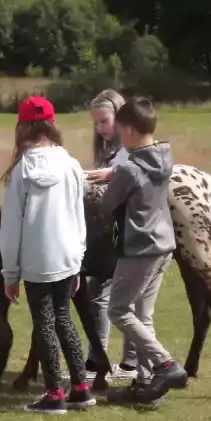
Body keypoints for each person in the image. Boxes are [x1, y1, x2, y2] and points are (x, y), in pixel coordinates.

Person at [85, 97, 188, 406]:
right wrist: (115, 175)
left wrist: (104, 182)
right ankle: (147, 388)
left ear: (127, 129)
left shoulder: (129, 169)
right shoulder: (163, 157)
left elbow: (105, 205)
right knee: (144, 316)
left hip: (140, 248)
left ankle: (166, 365)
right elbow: (137, 181)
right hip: (163, 246)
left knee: (117, 309)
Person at [0, 96, 96, 414]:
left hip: (37, 261)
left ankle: (55, 393)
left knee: (44, 323)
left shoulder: (21, 171)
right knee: (64, 318)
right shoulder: (70, 164)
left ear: (22, 127)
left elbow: (11, 227)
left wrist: (10, 274)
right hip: (67, 256)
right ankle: (81, 388)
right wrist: (78, 261)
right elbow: (78, 215)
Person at [78, 88, 138, 383]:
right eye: (97, 123)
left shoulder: (128, 153)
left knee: (117, 296)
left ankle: (124, 363)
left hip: (125, 233)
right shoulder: (111, 153)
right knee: (103, 294)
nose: (101, 128)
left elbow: (125, 175)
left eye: (105, 121)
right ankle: (101, 358)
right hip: (111, 233)